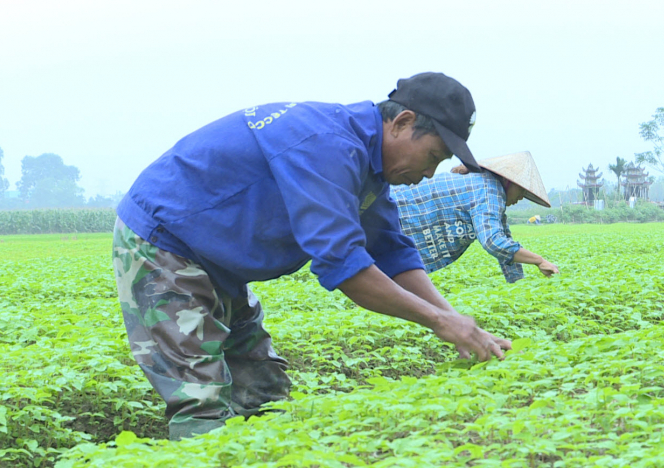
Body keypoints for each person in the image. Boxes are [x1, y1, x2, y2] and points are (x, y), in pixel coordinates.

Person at [112, 72, 511, 440]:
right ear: (403, 122)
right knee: (201, 401)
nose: (429, 173)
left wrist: (455, 320)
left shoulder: (367, 162)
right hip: (166, 242)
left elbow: (391, 251)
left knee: (263, 391)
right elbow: (344, 265)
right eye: (433, 156)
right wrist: (441, 322)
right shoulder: (326, 145)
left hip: (219, 256)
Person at [392, 151, 560, 283]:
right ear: (509, 182)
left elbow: (504, 242)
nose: (521, 198)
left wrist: (518, 285)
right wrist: (539, 261)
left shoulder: (488, 190)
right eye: (522, 191)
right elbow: (493, 242)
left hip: (392, 217)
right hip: (391, 214)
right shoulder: (488, 191)